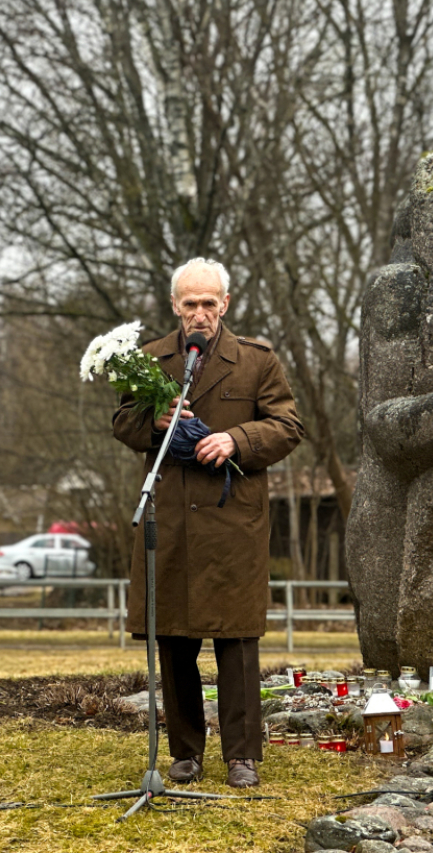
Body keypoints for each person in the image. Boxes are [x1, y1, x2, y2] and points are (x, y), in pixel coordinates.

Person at [112, 257, 304, 789]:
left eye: (209, 303)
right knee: (173, 638)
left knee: (237, 643)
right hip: (170, 518)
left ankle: (242, 756)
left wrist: (237, 439)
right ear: (175, 305)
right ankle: (185, 753)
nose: (200, 312)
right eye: (190, 303)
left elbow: (288, 425)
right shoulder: (149, 360)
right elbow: (122, 422)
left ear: (226, 304)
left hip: (233, 522)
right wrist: (155, 421)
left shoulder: (257, 360)